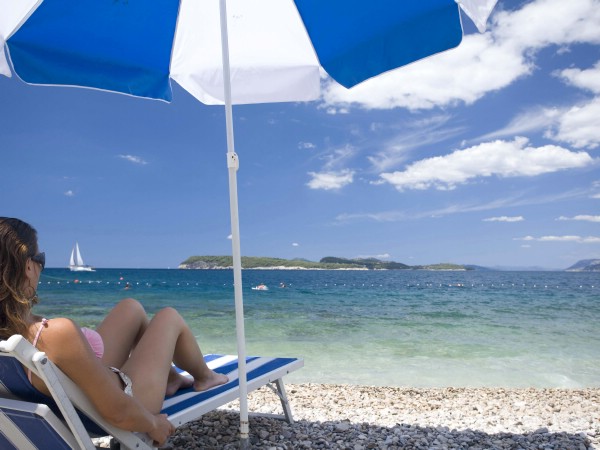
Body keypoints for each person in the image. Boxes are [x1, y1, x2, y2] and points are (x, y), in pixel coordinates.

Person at [0, 218, 228, 446]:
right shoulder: (53, 334)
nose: (41, 266)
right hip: (121, 406)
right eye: (41, 259)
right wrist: (153, 424)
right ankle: (205, 377)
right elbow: (118, 412)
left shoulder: (14, 334)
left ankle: (171, 378)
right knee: (168, 317)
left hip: (82, 397)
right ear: (28, 267)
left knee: (131, 308)